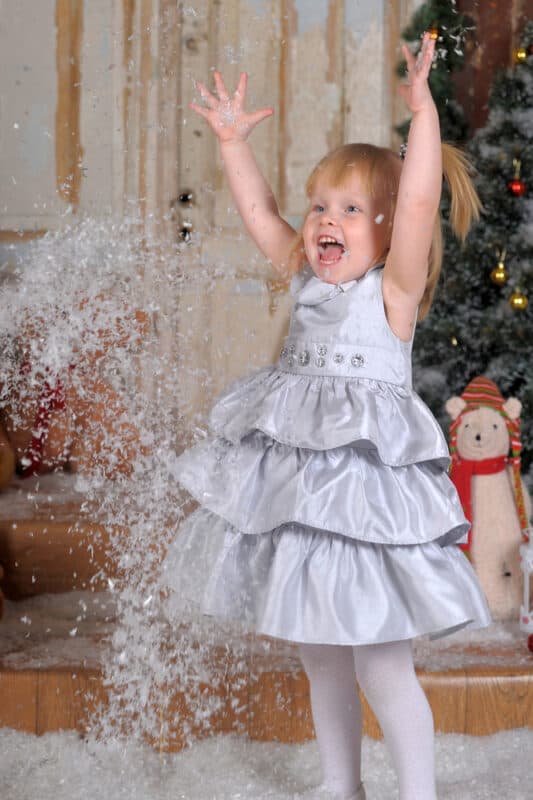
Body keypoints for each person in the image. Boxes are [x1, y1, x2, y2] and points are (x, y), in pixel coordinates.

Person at [162, 32, 491, 800]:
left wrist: (420, 115)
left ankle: (419, 793)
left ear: (384, 232)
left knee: (380, 659)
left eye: (349, 209)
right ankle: (340, 784)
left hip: (367, 504)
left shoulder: (393, 293)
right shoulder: (303, 276)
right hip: (305, 501)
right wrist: (234, 144)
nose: (323, 223)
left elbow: (416, 199)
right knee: (318, 650)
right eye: (319, 207)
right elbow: (258, 213)